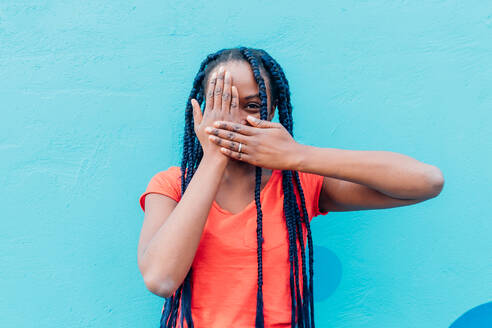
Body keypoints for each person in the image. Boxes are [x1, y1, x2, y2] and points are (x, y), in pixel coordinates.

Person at [137, 47, 444, 328]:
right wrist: (214, 160)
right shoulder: (172, 185)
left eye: (253, 105)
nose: (235, 119)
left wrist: (298, 155)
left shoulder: (297, 184)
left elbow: (427, 181)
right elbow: (161, 279)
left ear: (271, 113)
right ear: (200, 112)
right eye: (223, 104)